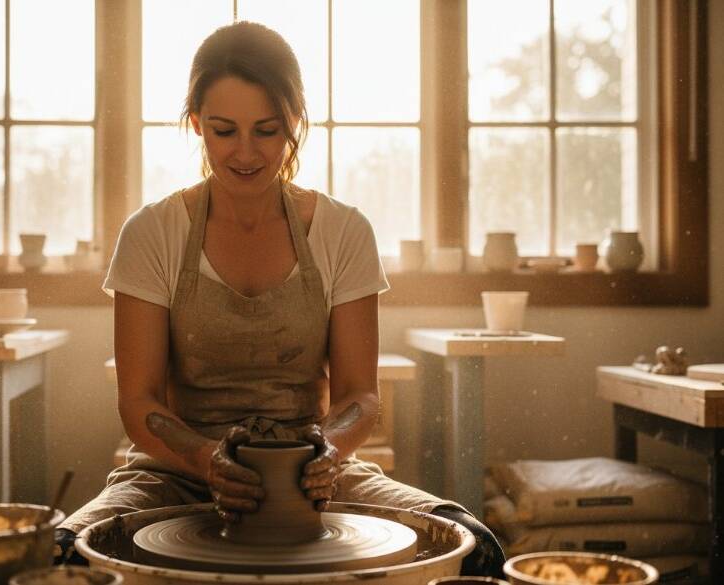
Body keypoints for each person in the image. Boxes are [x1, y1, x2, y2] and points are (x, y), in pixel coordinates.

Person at [55, 21, 505, 578]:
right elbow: (139, 400)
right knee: (62, 553)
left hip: (313, 470)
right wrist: (206, 460)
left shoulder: (343, 231)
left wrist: (329, 452)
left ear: (295, 121)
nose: (245, 153)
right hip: (175, 471)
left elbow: (361, 396)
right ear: (196, 123)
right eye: (223, 131)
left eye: (266, 130)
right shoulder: (153, 232)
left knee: (476, 547)